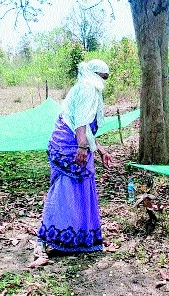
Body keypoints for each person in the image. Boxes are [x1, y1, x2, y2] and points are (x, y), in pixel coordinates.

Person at [36, 59, 113, 255]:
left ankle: (75, 236)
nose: (104, 81)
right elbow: (81, 122)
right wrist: (81, 147)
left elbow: (86, 127)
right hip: (68, 144)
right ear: (94, 75)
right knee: (65, 189)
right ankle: (50, 236)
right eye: (103, 77)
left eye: (106, 77)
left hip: (71, 141)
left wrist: (100, 150)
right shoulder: (88, 88)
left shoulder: (87, 87)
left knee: (79, 187)